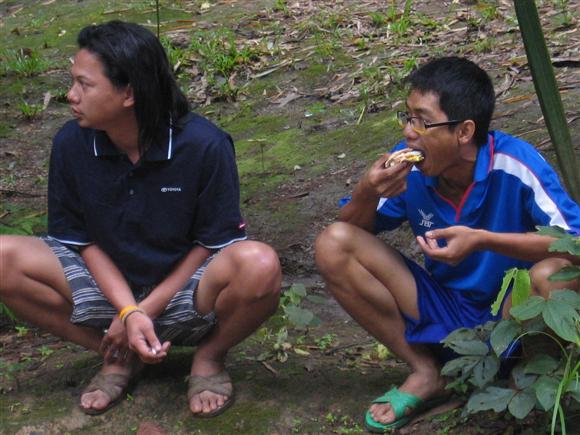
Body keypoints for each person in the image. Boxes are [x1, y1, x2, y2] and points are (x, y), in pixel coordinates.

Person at [0, 20, 281, 417]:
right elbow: (81, 241)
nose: (70, 95)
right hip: (106, 283)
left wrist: (145, 309)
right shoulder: (71, 143)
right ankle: (118, 356)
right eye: (72, 82)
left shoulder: (204, 145)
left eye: (84, 84)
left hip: (186, 288)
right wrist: (127, 311)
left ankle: (209, 357)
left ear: (129, 93)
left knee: (260, 263)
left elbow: (211, 243)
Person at [314, 56, 580, 432]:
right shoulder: (411, 170)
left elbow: (575, 242)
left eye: (422, 121)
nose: (409, 132)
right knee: (333, 243)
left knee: (556, 273)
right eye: (407, 117)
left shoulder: (514, 163)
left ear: (464, 131)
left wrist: (483, 240)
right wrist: (366, 192)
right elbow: (352, 231)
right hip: (446, 310)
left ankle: (526, 373)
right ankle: (426, 371)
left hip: (514, 316)